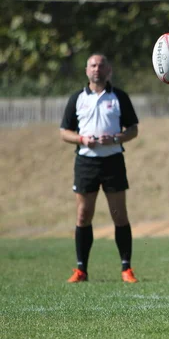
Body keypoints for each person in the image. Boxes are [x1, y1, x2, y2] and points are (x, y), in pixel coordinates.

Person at [60, 54, 140, 283]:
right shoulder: (77, 98)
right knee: (83, 215)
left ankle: (126, 268)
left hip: (113, 161)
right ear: (87, 70)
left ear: (109, 70)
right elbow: (64, 132)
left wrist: (115, 139)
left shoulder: (119, 97)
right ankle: (81, 270)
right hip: (86, 162)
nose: (97, 69)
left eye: (101, 65)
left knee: (119, 215)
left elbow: (133, 130)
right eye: (93, 65)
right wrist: (82, 139)